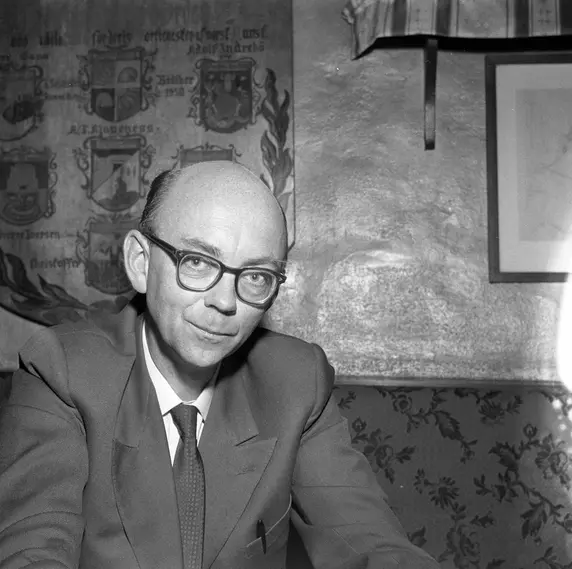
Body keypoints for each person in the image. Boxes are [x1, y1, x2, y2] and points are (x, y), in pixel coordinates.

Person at [0, 161, 439, 569]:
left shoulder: (296, 381)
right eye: (197, 262)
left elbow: (370, 542)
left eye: (256, 276)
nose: (225, 302)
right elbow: (31, 551)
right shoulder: (62, 369)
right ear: (140, 262)